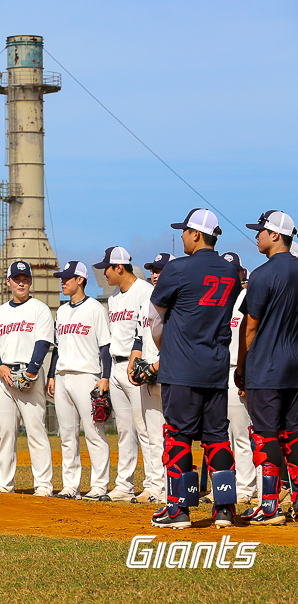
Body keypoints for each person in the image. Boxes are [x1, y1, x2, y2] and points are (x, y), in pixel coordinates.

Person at [148, 208, 241, 529]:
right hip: (215, 366)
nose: (183, 236)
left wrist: (166, 349)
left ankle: (179, 509)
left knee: (178, 436)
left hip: (182, 367)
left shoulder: (177, 269)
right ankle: (225, 508)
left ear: (196, 234)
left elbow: (155, 318)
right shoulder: (231, 271)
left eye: (185, 232)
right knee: (217, 438)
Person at [238, 210, 298, 525]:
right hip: (295, 367)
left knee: (266, 436)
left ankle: (270, 506)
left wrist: (241, 368)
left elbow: (249, 328)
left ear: (276, 235)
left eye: (261, 231)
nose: (257, 236)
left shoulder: (261, 275)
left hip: (266, 366)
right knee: (295, 435)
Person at [93, 246, 155, 502]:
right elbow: (111, 340)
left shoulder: (146, 292)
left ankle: (154, 485)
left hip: (136, 367)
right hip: (117, 367)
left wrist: (139, 361)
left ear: (119, 267)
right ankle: (124, 484)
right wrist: (106, 374)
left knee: (145, 428)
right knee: (124, 430)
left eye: (106, 268)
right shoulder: (114, 298)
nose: (103, 273)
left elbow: (147, 331)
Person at [46, 261, 112, 501]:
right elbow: (57, 348)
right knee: (66, 434)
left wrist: (105, 377)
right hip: (63, 376)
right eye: (62, 278)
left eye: (67, 278)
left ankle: (99, 486)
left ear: (80, 280)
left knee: (94, 432)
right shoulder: (62, 311)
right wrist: (52, 375)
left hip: (87, 376)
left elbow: (106, 346)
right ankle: (70, 486)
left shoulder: (95, 308)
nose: (62, 282)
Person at [0, 261, 54, 496]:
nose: (21, 283)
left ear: (30, 281)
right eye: (16, 279)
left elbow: (43, 343)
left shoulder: (40, 309)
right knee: (6, 433)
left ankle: (44, 485)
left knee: (36, 431)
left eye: (25, 279)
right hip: (4, 378)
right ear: (8, 282)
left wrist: (32, 371)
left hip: (30, 375)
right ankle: (4, 484)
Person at [124, 254, 171, 505]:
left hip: (171, 375)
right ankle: (155, 486)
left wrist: (156, 366)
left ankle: (173, 486)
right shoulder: (146, 303)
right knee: (152, 434)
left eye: (161, 270)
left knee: (175, 434)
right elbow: (139, 338)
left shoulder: (178, 301)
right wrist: (134, 363)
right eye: (153, 270)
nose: (155, 274)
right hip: (148, 377)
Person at [221, 251, 256, 504]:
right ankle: (226, 485)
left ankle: (246, 487)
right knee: (222, 435)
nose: (232, 275)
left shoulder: (247, 297)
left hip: (239, 370)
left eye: (236, 271)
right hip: (218, 371)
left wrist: (246, 374)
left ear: (242, 273)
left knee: (242, 434)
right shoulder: (218, 298)